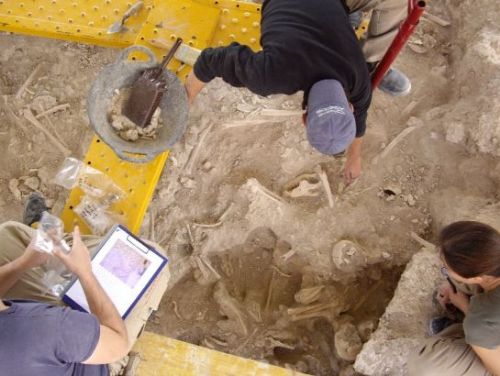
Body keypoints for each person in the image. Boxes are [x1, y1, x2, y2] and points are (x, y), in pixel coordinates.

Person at [185, 0, 409, 184]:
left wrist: (354, 156)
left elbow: (360, 113)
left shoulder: (357, 75)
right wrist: (188, 95)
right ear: (303, 118)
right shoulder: (270, 75)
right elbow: (210, 60)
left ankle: (362, 43)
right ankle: (362, 42)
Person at [0, 195, 170, 376]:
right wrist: (85, 273)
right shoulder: (47, 329)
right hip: (97, 357)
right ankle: (72, 251)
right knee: (151, 259)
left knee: (6, 235)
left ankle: (58, 247)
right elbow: (116, 343)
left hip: (33, 343)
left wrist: (25, 261)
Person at [408, 221, 500, 376]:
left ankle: (459, 331)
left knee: (425, 366)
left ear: (477, 277)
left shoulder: (479, 322)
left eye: (446, 268)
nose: (444, 270)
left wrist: (468, 312)